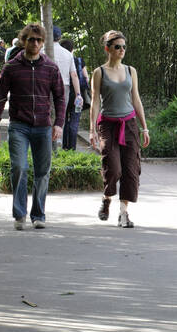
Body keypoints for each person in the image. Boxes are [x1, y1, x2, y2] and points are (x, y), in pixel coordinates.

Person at [0, 24, 65, 230]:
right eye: (31, 39)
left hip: (43, 126)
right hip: (19, 126)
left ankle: (39, 214)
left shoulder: (50, 68)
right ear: (24, 40)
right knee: (19, 167)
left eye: (39, 40)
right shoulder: (12, 67)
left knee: (43, 171)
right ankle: (20, 214)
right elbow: (0, 98)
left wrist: (59, 124)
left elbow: (59, 97)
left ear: (43, 42)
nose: (35, 43)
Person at [88, 30, 151, 227]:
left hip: (129, 124)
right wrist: (92, 130)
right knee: (113, 168)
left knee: (131, 170)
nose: (122, 50)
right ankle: (107, 198)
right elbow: (95, 103)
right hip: (108, 124)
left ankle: (124, 213)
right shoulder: (99, 72)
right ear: (108, 49)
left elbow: (136, 99)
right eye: (117, 47)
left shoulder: (131, 71)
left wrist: (144, 127)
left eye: (124, 47)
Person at [47, 25, 81, 150]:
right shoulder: (68, 54)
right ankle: (58, 143)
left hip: (46, 87)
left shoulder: (42, 51)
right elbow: (74, 75)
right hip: (64, 87)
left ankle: (48, 145)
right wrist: (78, 94)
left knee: (47, 116)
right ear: (59, 37)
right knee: (60, 115)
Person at [60, 38, 90, 150]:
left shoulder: (60, 60)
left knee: (65, 121)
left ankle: (65, 148)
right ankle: (72, 148)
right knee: (74, 121)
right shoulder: (79, 61)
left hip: (64, 94)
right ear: (72, 49)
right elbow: (86, 77)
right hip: (78, 97)